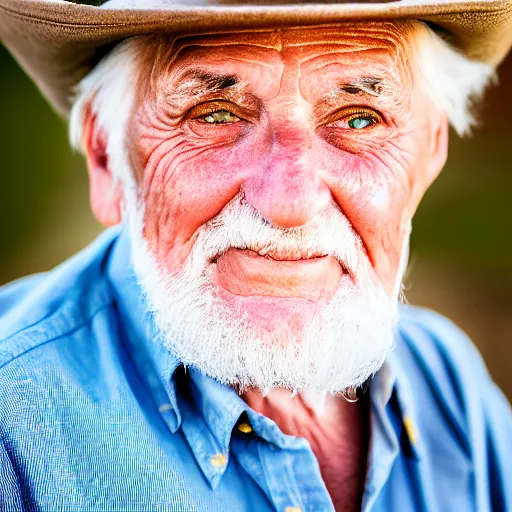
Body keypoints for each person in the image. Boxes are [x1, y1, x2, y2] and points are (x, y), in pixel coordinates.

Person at [1, 0, 512, 510]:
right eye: (215, 115)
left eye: (359, 120)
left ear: (432, 151)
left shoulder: (449, 382)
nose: (290, 202)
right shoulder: (14, 426)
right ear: (106, 155)